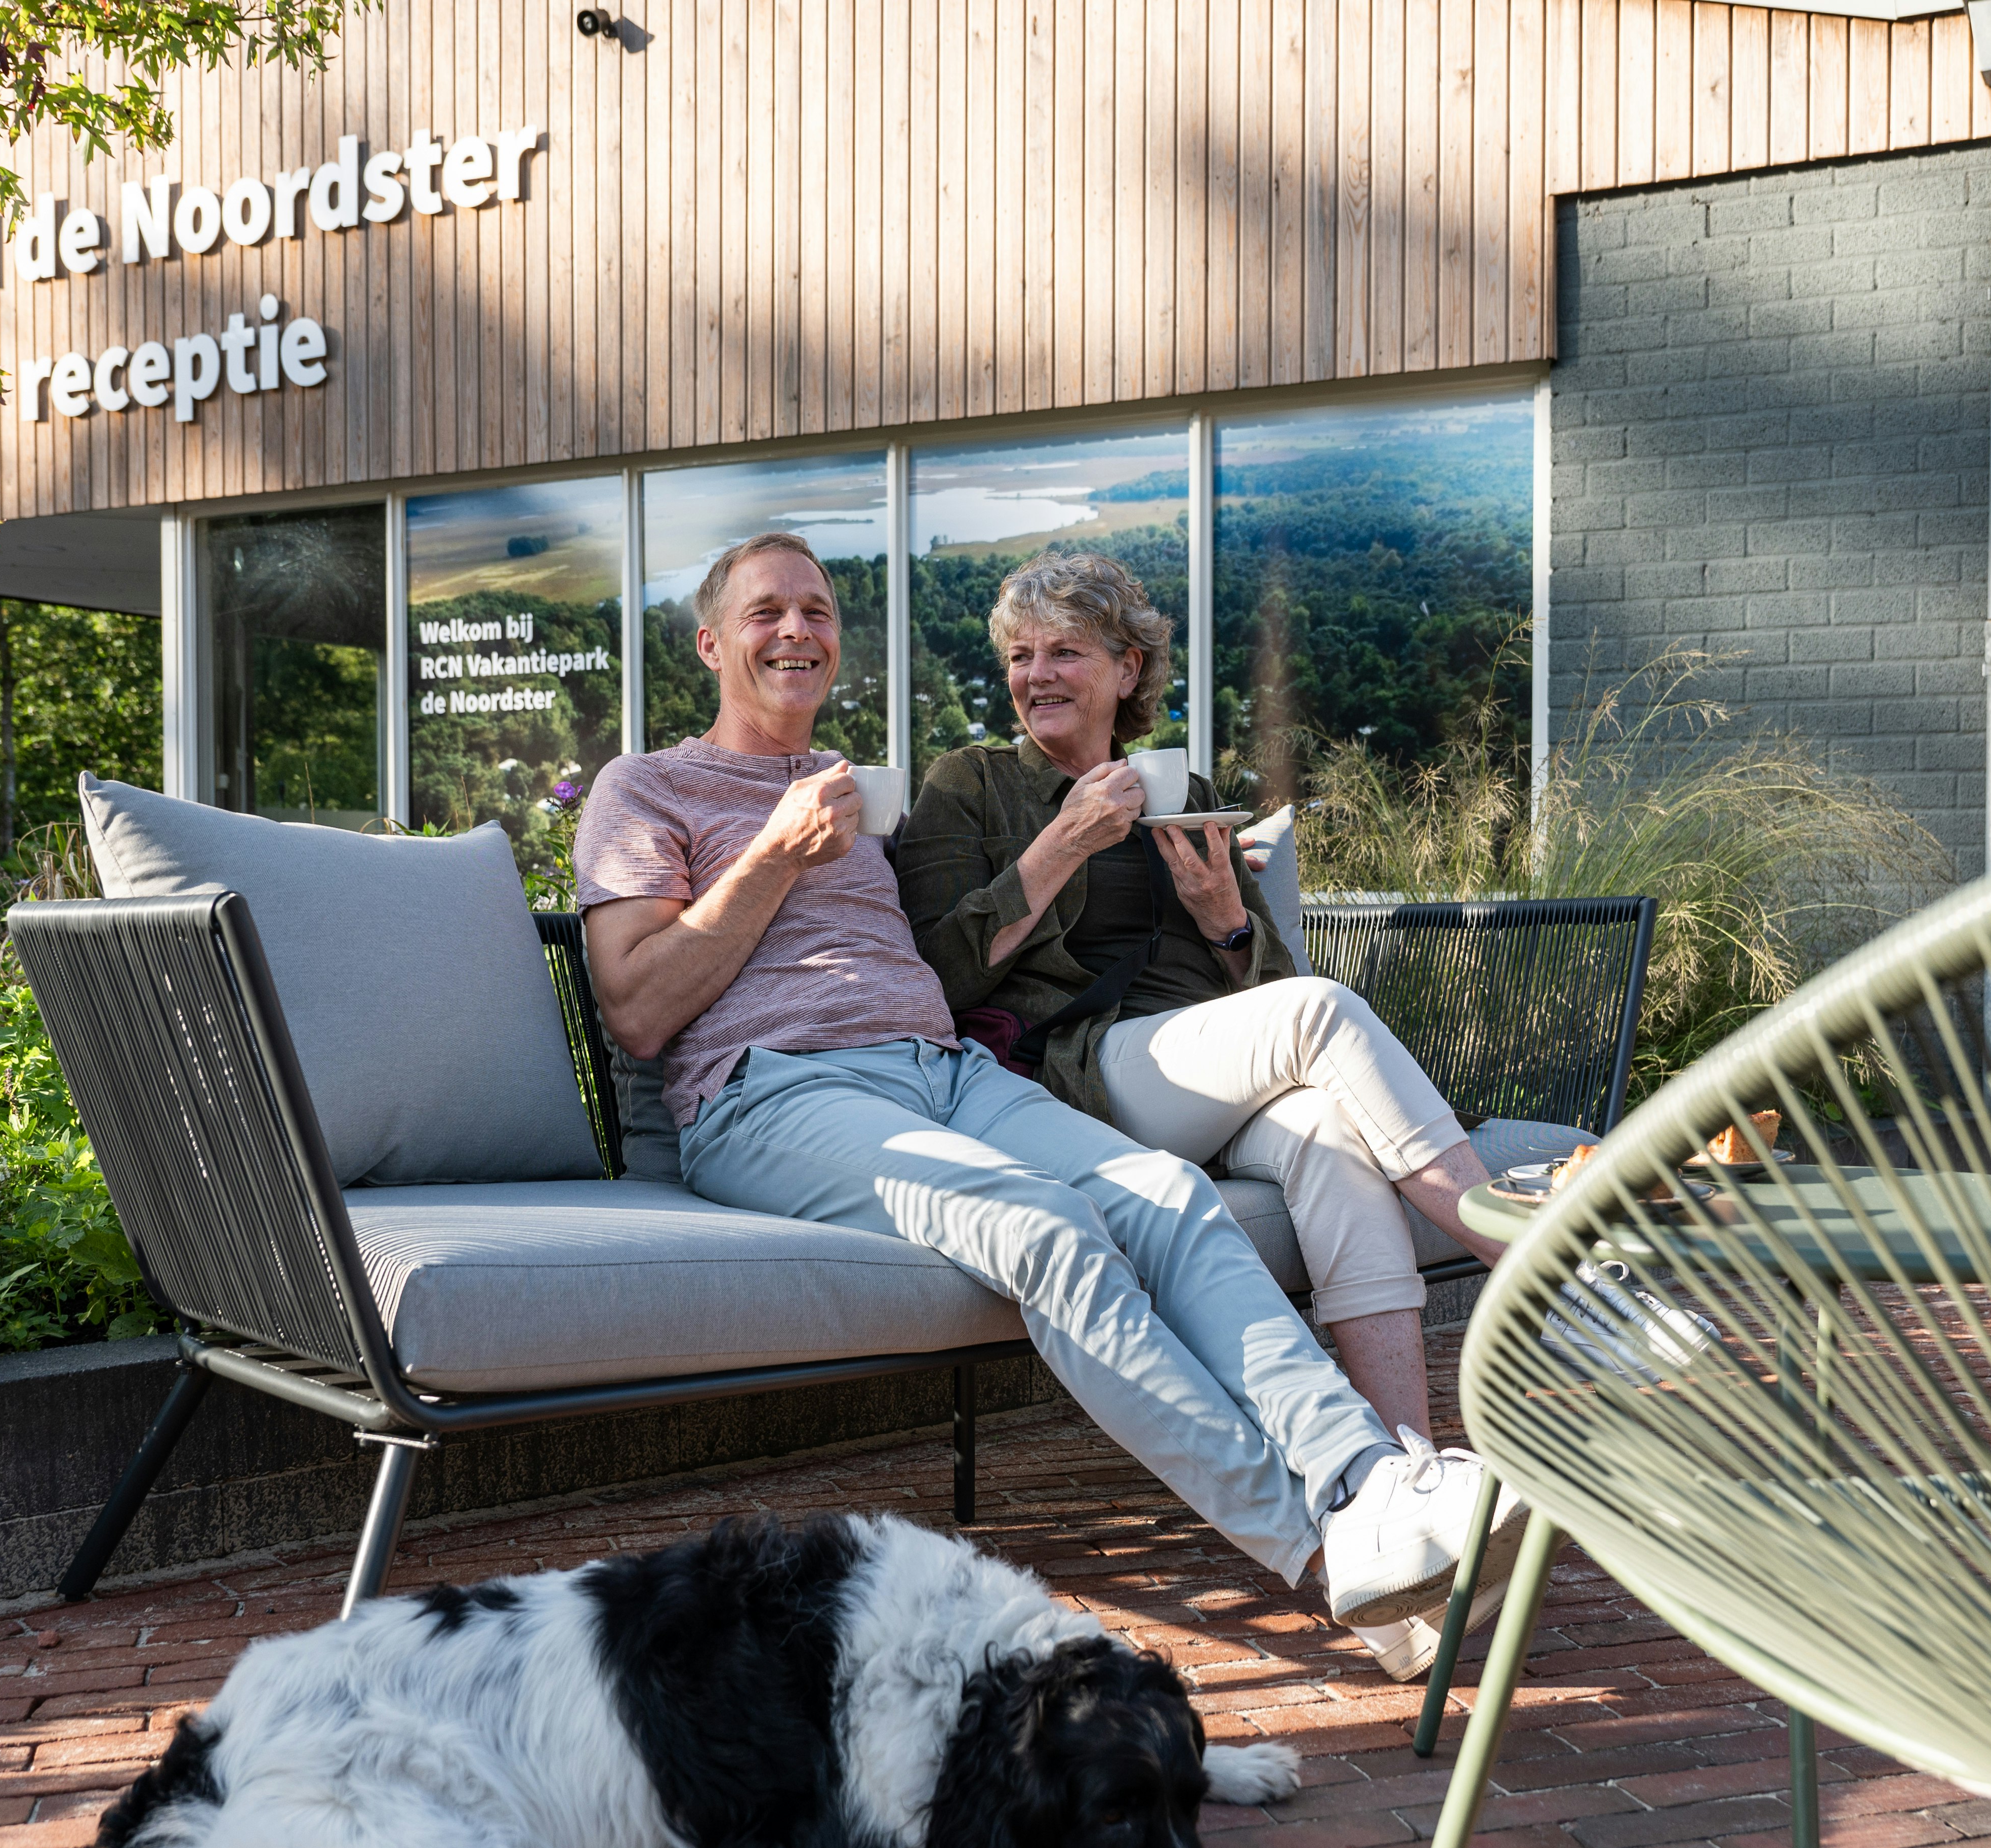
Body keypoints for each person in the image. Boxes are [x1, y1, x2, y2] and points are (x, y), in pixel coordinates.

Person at [574, 530, 1522, 1648]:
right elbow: (636, 1009)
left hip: (943, 1070)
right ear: (709, 645)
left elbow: (938, 957)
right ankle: (1326, 1552)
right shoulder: (645, 787)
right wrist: (775, 853)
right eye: (766, 612)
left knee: (1170, 1196)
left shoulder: (850, 790)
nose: (798, 631)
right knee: (1049, 1228)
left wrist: (1223, 912)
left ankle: (1369, 1478)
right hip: (773, 1092)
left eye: (818, 611)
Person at [890, 551, 1526, 1678]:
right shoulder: (970, 784)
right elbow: (937, 976)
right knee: (1322, 1015)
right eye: (1021, 656)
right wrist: (1061, 844)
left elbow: (1257, 984)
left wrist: (1227, 916)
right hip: (1079, 1074)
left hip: (1205, 1071)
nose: (1036, 676)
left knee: (1330, 1138)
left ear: (1127, 669)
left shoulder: (1182, 788)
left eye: (1065, 652)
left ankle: (1407, 1508)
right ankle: (1537, 1266)